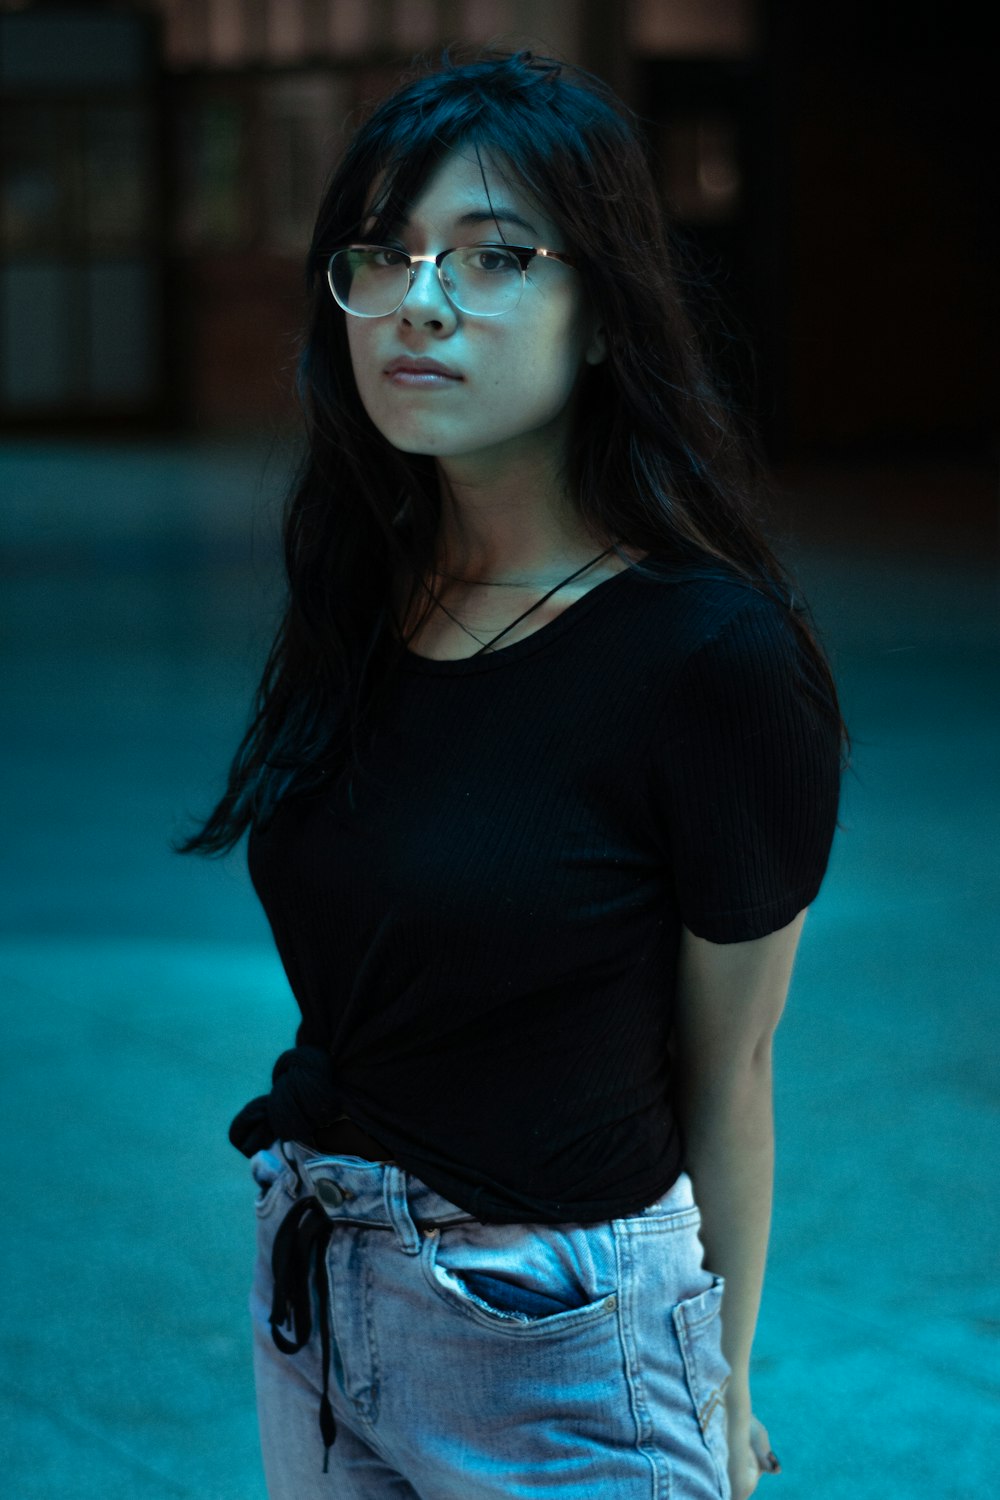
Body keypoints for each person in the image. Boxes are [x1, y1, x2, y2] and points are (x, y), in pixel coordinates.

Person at [176, 46, 847, 1500]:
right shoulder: (365, 595)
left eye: (494, 258)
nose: (421, 300)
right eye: (387, 255)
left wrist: (723, 1379)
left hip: (558, 1336)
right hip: (318, 1300)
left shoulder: (711, 658)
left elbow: (729, 1064)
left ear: (604, 318)